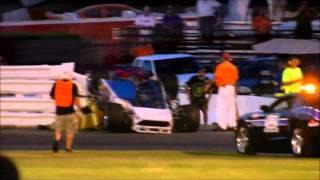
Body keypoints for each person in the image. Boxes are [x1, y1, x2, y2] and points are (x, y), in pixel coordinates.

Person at [50, 70, 82, 153]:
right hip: (70, 111)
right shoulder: (73, 85)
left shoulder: (56, 84)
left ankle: (57, 139)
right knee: (70, 130)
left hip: (58, 111)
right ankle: (68, 148)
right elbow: (76, 99)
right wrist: (79, 109)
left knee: (58, 129)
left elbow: (52, 96)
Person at [212, 52, 239, 130]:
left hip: (223, 87)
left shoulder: (220, 66)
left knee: (221, 107)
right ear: (229, 58)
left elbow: (217, 77)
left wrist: (216, 84)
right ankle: (232, 125)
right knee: (231, 107)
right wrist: (235, 91)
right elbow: (236, 79)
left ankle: (222, 125)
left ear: (222, 58)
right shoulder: (234, 67)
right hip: (232, 88)